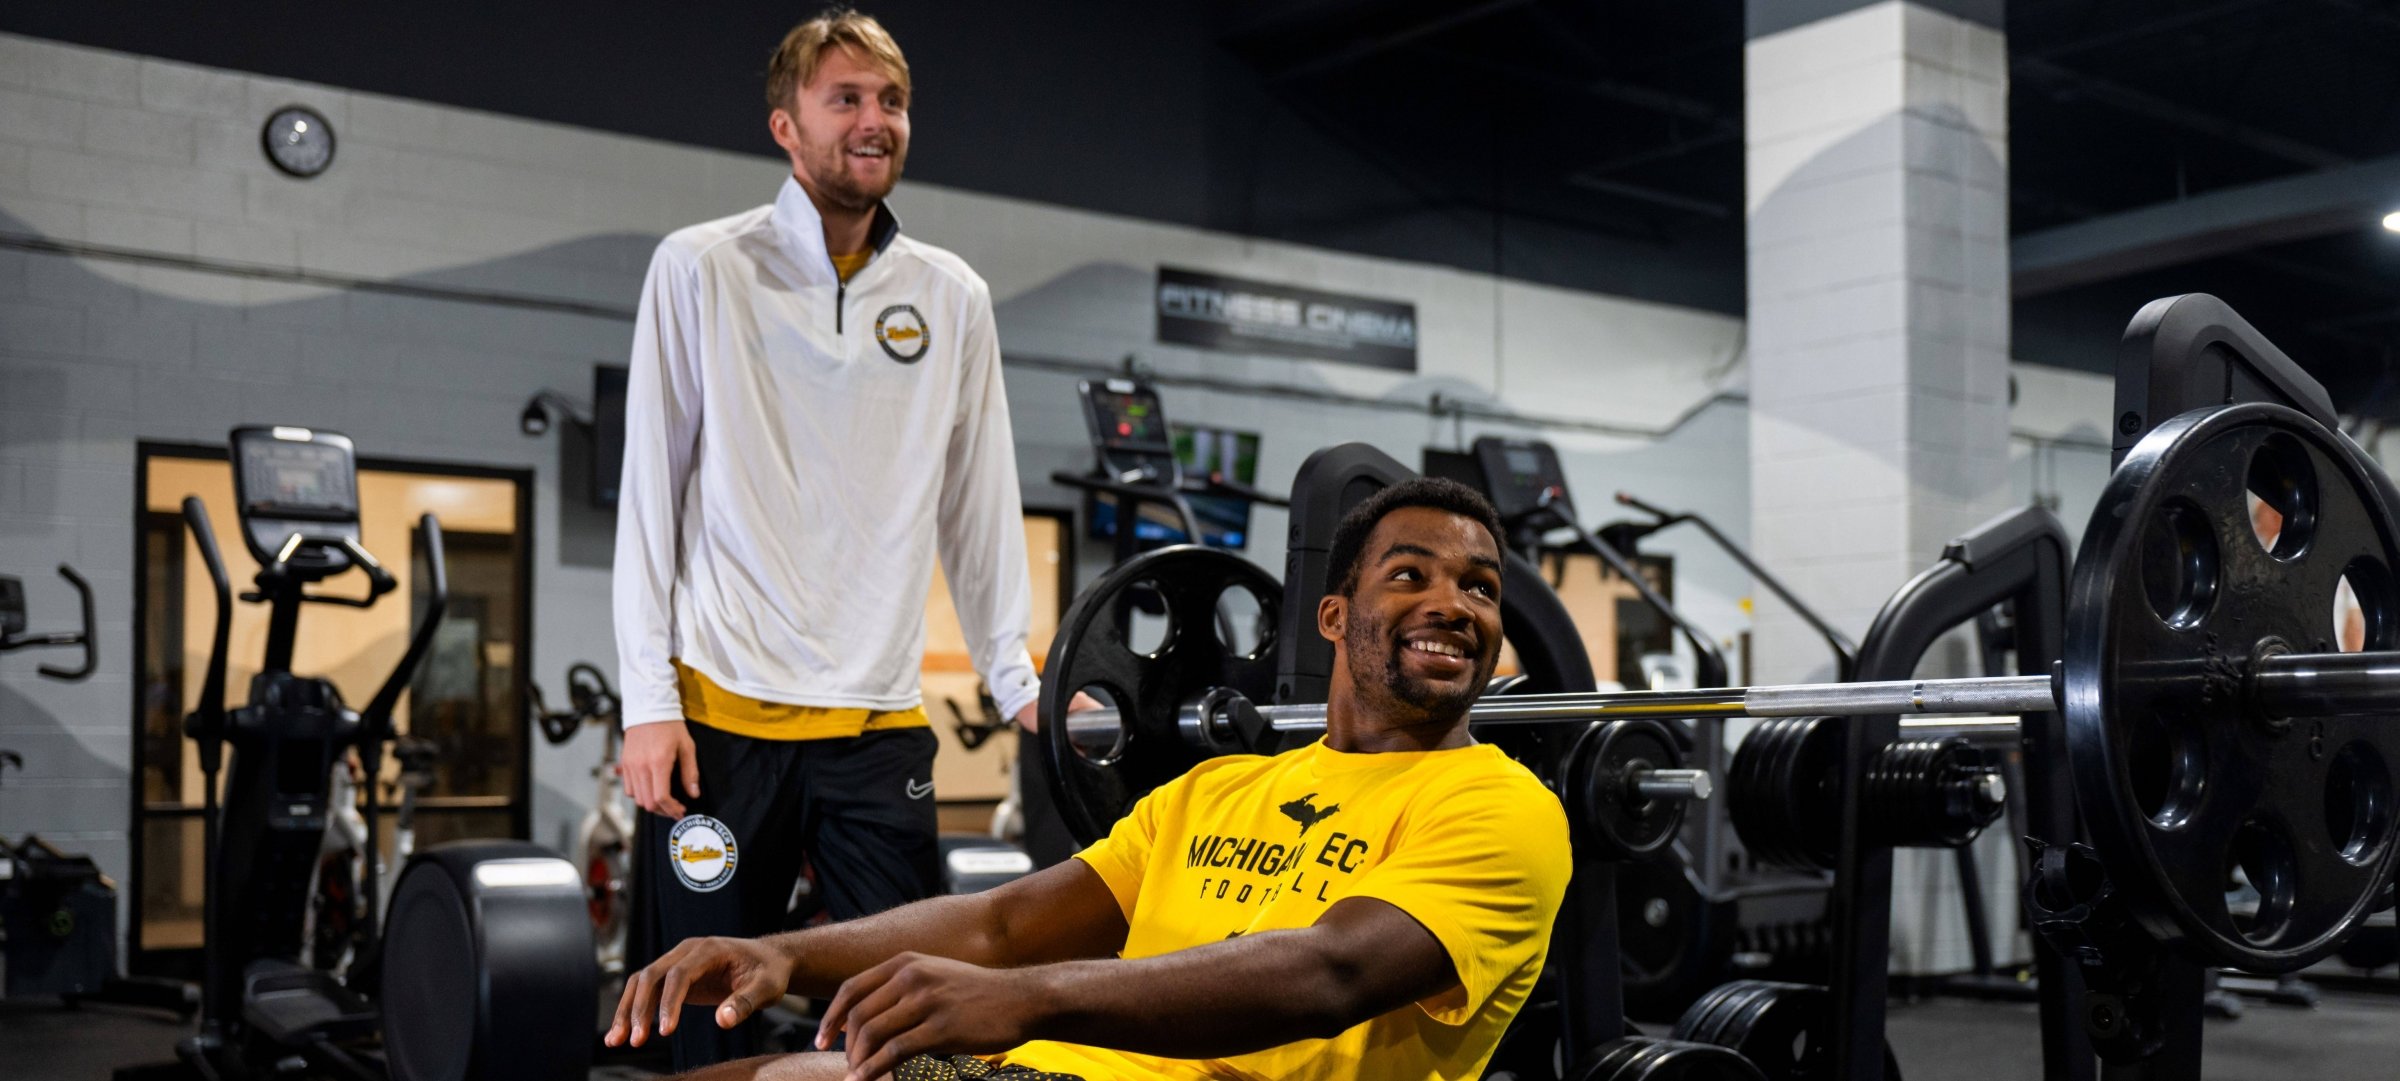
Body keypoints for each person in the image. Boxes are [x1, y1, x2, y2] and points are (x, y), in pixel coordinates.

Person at [607, 478, 1573, 1081]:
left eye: (1480, 587)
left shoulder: (1504, 808)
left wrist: (1026, 1000)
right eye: (1411, 575)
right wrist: (782, 955)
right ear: (1330, 618)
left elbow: (1331, 972)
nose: (1453, 603)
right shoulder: (1215, 793)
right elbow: (1003, 924)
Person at [612, 9, 1046, 1066]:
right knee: (702, 1017)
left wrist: (1017, 673)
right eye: (844, 98)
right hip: (719, 729)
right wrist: (647, 706)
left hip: (875, 732)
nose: (874, 120)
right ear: (785, 127)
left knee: (900, 1019)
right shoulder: (700, 267)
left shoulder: (953, 296)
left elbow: (980, 502)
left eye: (891, 101)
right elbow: (648, 501)